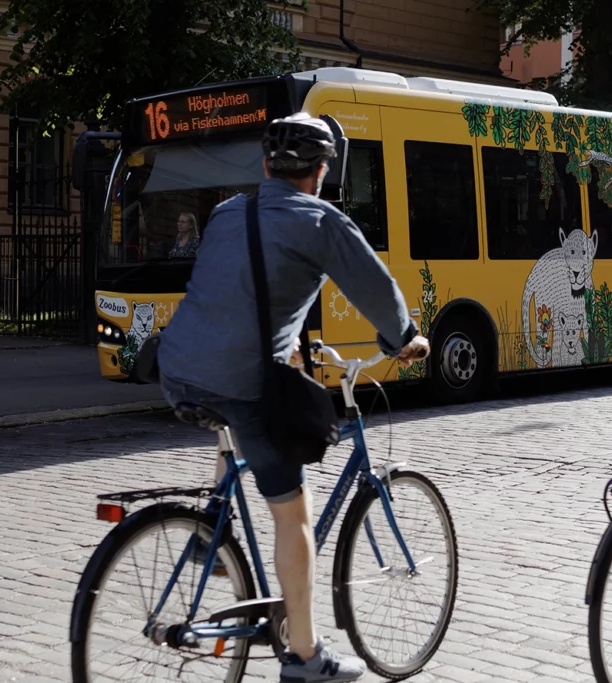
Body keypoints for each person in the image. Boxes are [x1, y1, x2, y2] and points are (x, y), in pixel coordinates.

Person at [156, 112, 429, 682]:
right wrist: (405, 340)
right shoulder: (320, 220)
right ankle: (306, 657)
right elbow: (376, 289)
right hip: (244, 380)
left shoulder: (229, 212)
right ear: (323, 171)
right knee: (292, 514)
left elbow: (234, 291)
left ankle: (214, 539)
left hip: (177, 364)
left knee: (237, 429)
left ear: (265, 166)